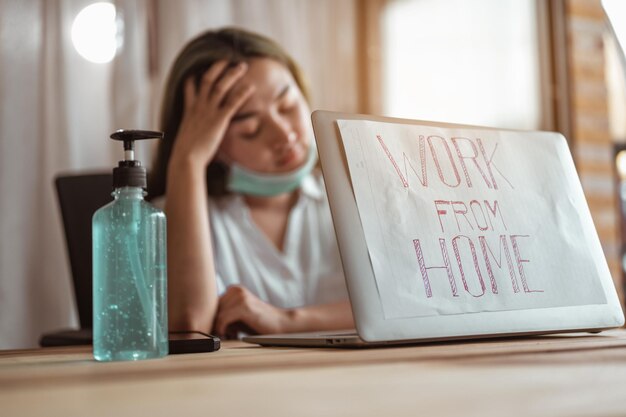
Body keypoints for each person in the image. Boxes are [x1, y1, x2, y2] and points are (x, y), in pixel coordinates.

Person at [150, 27, 354, 339]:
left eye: (287, 106)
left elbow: (409, 306)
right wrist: (187, 161)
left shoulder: (355, 198)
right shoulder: (163, 222)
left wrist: (288, 321)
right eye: (250, 128)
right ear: (209, 142)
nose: (284, 134)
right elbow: (190, 328)